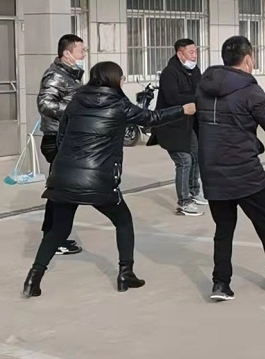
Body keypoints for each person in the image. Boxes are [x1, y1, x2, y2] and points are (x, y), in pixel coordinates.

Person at [23, 62, 195, 298]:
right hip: (99, 180)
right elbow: (151, 118)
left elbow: (61, 136)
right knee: (123, 222)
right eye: (121, 77)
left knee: (57, 230)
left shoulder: (76, 100)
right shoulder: (119, 103)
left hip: (65, 176)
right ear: (113, 79)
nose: (123, 81)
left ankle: (33, 278)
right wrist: (183, 110)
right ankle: (126, 273)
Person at [196, 36, 265, 301]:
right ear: (248, 58)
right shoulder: (250, 91)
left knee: (223, 229)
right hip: (245, 172)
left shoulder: (202, 88)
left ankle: (221, 283)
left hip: (213, 171)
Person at [36, 34, 87, 256]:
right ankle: (54, 238)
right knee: (64, 192)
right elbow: (45, 104)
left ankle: (55, 236)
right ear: (66, 53)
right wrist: (75, 111)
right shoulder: (56, 75)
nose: (84, 55)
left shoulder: (71, 75)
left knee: (61, 191)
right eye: (81, 51)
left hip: (67, 137)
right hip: (57, 139)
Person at [153, 38, 205, 217]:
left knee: (196, 155)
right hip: (171, 125)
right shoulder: (169, 73)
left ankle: (194, 190)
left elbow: (200, 91)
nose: (194, 55)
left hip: (188, 124)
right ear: (180, 54)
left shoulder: (195, 71)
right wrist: (195, 99)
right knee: (184, 161)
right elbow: (173, 98)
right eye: (191, 52)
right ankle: (184, 202)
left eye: (196, 51)